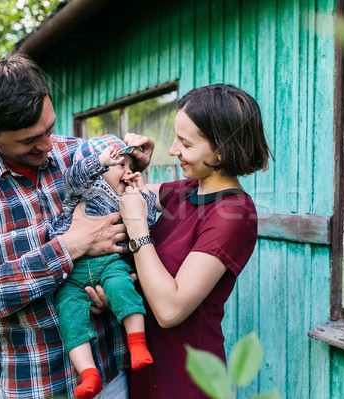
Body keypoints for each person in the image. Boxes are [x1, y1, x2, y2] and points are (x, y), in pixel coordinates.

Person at [0, 54, 154, 398]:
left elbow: (125, 164)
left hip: (111, 377)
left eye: (49, 129)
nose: (47, 145)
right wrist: (69, 247)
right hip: (33, 383)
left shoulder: (80, 153)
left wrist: (137, 159)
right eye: (28, 141)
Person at [90, 84, 272, 398]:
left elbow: (171, 309)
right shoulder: (189, 188)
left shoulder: (234, 215)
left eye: (185, 143)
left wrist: (136, 227)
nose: (173, 150)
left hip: (185, 377)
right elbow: (128, 192)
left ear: (221, 151)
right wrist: (133, 164)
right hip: (145, 366)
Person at [49, 134, 155, 398]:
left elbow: (147, 222)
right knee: (69, 311)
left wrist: (143, 195)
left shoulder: (125, 198)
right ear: (100, 167)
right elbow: (73, 176)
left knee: (122, 287)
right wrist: (100, 160)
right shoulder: (83, 189)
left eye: (132, 167)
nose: (129, 171)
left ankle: (138, 345)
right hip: (73, 274)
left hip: (110, 264)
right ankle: (88, 374)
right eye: (122, 165)